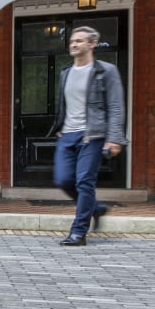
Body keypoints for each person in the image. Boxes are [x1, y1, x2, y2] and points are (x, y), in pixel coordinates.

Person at [51, 25, 126, 246]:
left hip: (92, 136)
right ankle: (96, 208)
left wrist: (114, 138)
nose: (74, 44)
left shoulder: (106, 71)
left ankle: (78, 232)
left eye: (79, 41)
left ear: (92, 44)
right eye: (72, 41)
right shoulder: (65, 72)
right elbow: (64, 103)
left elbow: (115, 106)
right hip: (67, 135)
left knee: (85, 182)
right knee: (63, 180)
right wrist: (59, 124)